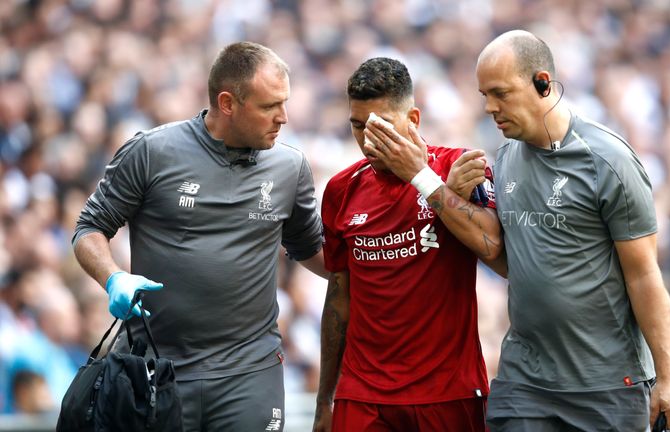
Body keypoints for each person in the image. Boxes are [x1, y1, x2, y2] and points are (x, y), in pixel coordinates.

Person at [72, 41, 325, 432]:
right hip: (159, 369)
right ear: (228, 103)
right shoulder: (152, 152)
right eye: (269, 106)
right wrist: (113, 277)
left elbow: (313, 251)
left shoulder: (290, 167)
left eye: (285, 102)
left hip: (250, 371)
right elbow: (89, 228)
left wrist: (387, 264)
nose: (284, 117)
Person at [473, 30, 670, 431]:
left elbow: (644, 275)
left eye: (500, 93)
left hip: (607, 383)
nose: (490, 107)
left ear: (542, 82)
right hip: (525, 380)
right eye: (484, 95)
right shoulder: (503, 159)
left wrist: (669, 378)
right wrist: (446, 196)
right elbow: (514, 260)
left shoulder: (608, 161)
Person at [313, 57, 503, 432]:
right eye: (357, 126)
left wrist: (422, 178)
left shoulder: (456, 167)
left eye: (380, 128)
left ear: (413, 120)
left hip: (447, 391)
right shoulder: (341, 190)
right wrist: (325, 398)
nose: (368, 140)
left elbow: (492, 244)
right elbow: (338, 296)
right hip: (363, 393)